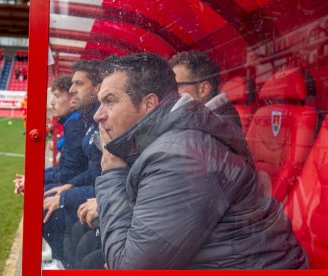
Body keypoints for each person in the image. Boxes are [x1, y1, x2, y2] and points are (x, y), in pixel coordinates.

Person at [92, 52, 308, 269]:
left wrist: (112, 173)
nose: (97, 115)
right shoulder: (169, 140)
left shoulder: (181, 154)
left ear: (149, 104)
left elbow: (131, 268)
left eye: (109, 101)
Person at [42, 60, 103, 267]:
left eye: (78, 84)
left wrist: (65, 195)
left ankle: (62, 263)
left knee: (52, 208)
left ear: (98, 88)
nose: (72, 89)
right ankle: (61, 261)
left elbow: (84, 172)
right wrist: (68, 188)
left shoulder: (85, 123)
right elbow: (92, 172)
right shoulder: (90, 121)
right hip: (96, 193)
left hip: (101, 198)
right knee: (51, 199)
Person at [14, 74, 88, 194]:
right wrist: (32, 178)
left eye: (57, 96)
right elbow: (65, 168)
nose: (52, 103)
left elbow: (69, 172)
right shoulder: (73, 122)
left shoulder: (75, 125)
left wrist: (34, 180)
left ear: (73, 99)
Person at [169, 50, 242, 128]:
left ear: (204, 89)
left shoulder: (203, 130)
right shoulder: (203, 124)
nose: (171, 93)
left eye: (177, 86)